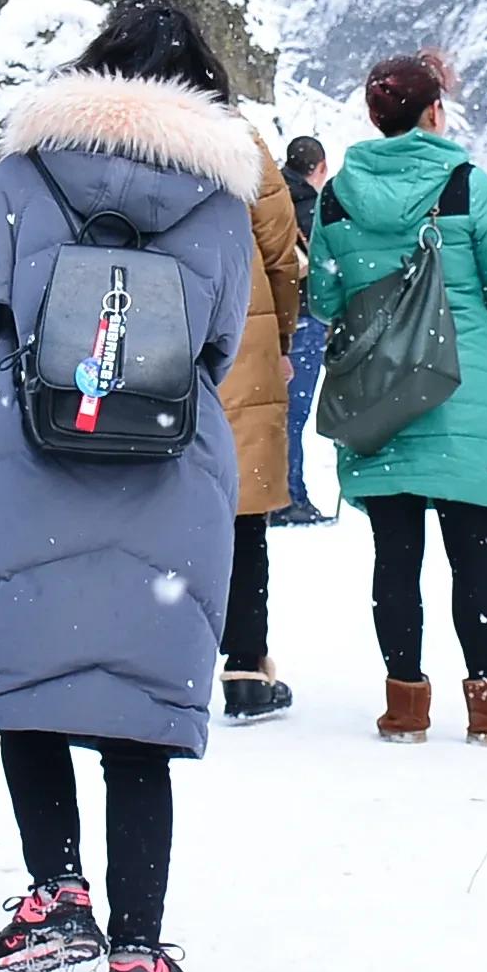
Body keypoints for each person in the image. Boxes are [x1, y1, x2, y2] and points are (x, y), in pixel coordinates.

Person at [0, 0, 262, 972]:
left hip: (23, 446)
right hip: (161, 455)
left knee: (31, 673)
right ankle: (137, 957)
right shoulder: (219, 202)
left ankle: (57, 893)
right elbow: (216, 344)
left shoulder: (20, 175)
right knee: (138, 709)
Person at [310, 48, 487, 746]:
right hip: (460, 392)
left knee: (395, 555)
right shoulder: (466, 184)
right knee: (474, 553)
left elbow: (326, 297)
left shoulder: (337, 195)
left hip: (379, 398)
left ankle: (405, 705)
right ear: (434, 111)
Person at [213, 109, 309, 722]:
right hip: (234, 334)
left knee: (139, 502)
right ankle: (246, 665)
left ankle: (142, 658)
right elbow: (280, 250)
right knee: (243, 506)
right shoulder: (235, 138)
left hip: (127, 339)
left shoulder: (95, 137)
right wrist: (281, 338)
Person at [276, 134, 336, 523]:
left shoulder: (270, 201)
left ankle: (266, 494)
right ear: (320, 169)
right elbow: (329, 270)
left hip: (270, 319)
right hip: (305, 318)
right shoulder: (316, 210)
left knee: (272, 412)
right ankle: (290, 498)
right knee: (293, 414)